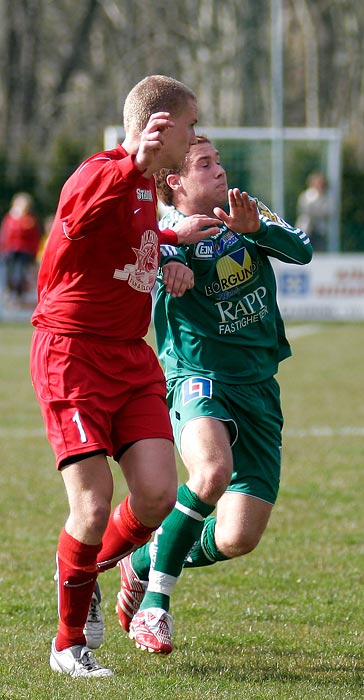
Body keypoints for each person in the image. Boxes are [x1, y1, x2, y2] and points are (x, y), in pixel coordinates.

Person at [29, 75, 222, 678]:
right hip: (73, 355)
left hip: (129, 357)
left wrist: (170, 242)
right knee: (91, 504)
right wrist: (131, 163)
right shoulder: (102, 171)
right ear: (159, 129)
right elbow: (78, 219)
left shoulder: (145, 192)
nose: (196, 135)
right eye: (190, 125)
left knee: (160, 494)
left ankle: (82, 575)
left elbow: (130, 236)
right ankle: (69, 647)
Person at [114, 135, 313, 654]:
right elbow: (123, 264)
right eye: (205, 164)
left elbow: (304, 251)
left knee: (237, 538)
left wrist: (258, 229)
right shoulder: (159, 231)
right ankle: (155, 607)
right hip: (195, 377)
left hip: (259, 387)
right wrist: (164, 264)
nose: (219, 170)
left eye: (219, 161)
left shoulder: (245, 211)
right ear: (175, 181)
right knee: (210, 473)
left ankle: (144, 559)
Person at [0, 192, 42, 305]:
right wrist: (3, 249)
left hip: (24, 252)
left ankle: (19, 295)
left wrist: (34, 252)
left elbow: (35, 237)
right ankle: (9, 293)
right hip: (10, 251)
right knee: (8, 273)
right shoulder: (10, 217)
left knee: (19, 274)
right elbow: (5, 234)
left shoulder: (30, 219)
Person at [296, 170, 333, 251]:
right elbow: (304, 209)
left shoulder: (326, 198)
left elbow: (328, 211)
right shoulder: (307, 195)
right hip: (306, 229)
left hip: (320, 230)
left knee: (319, 250)